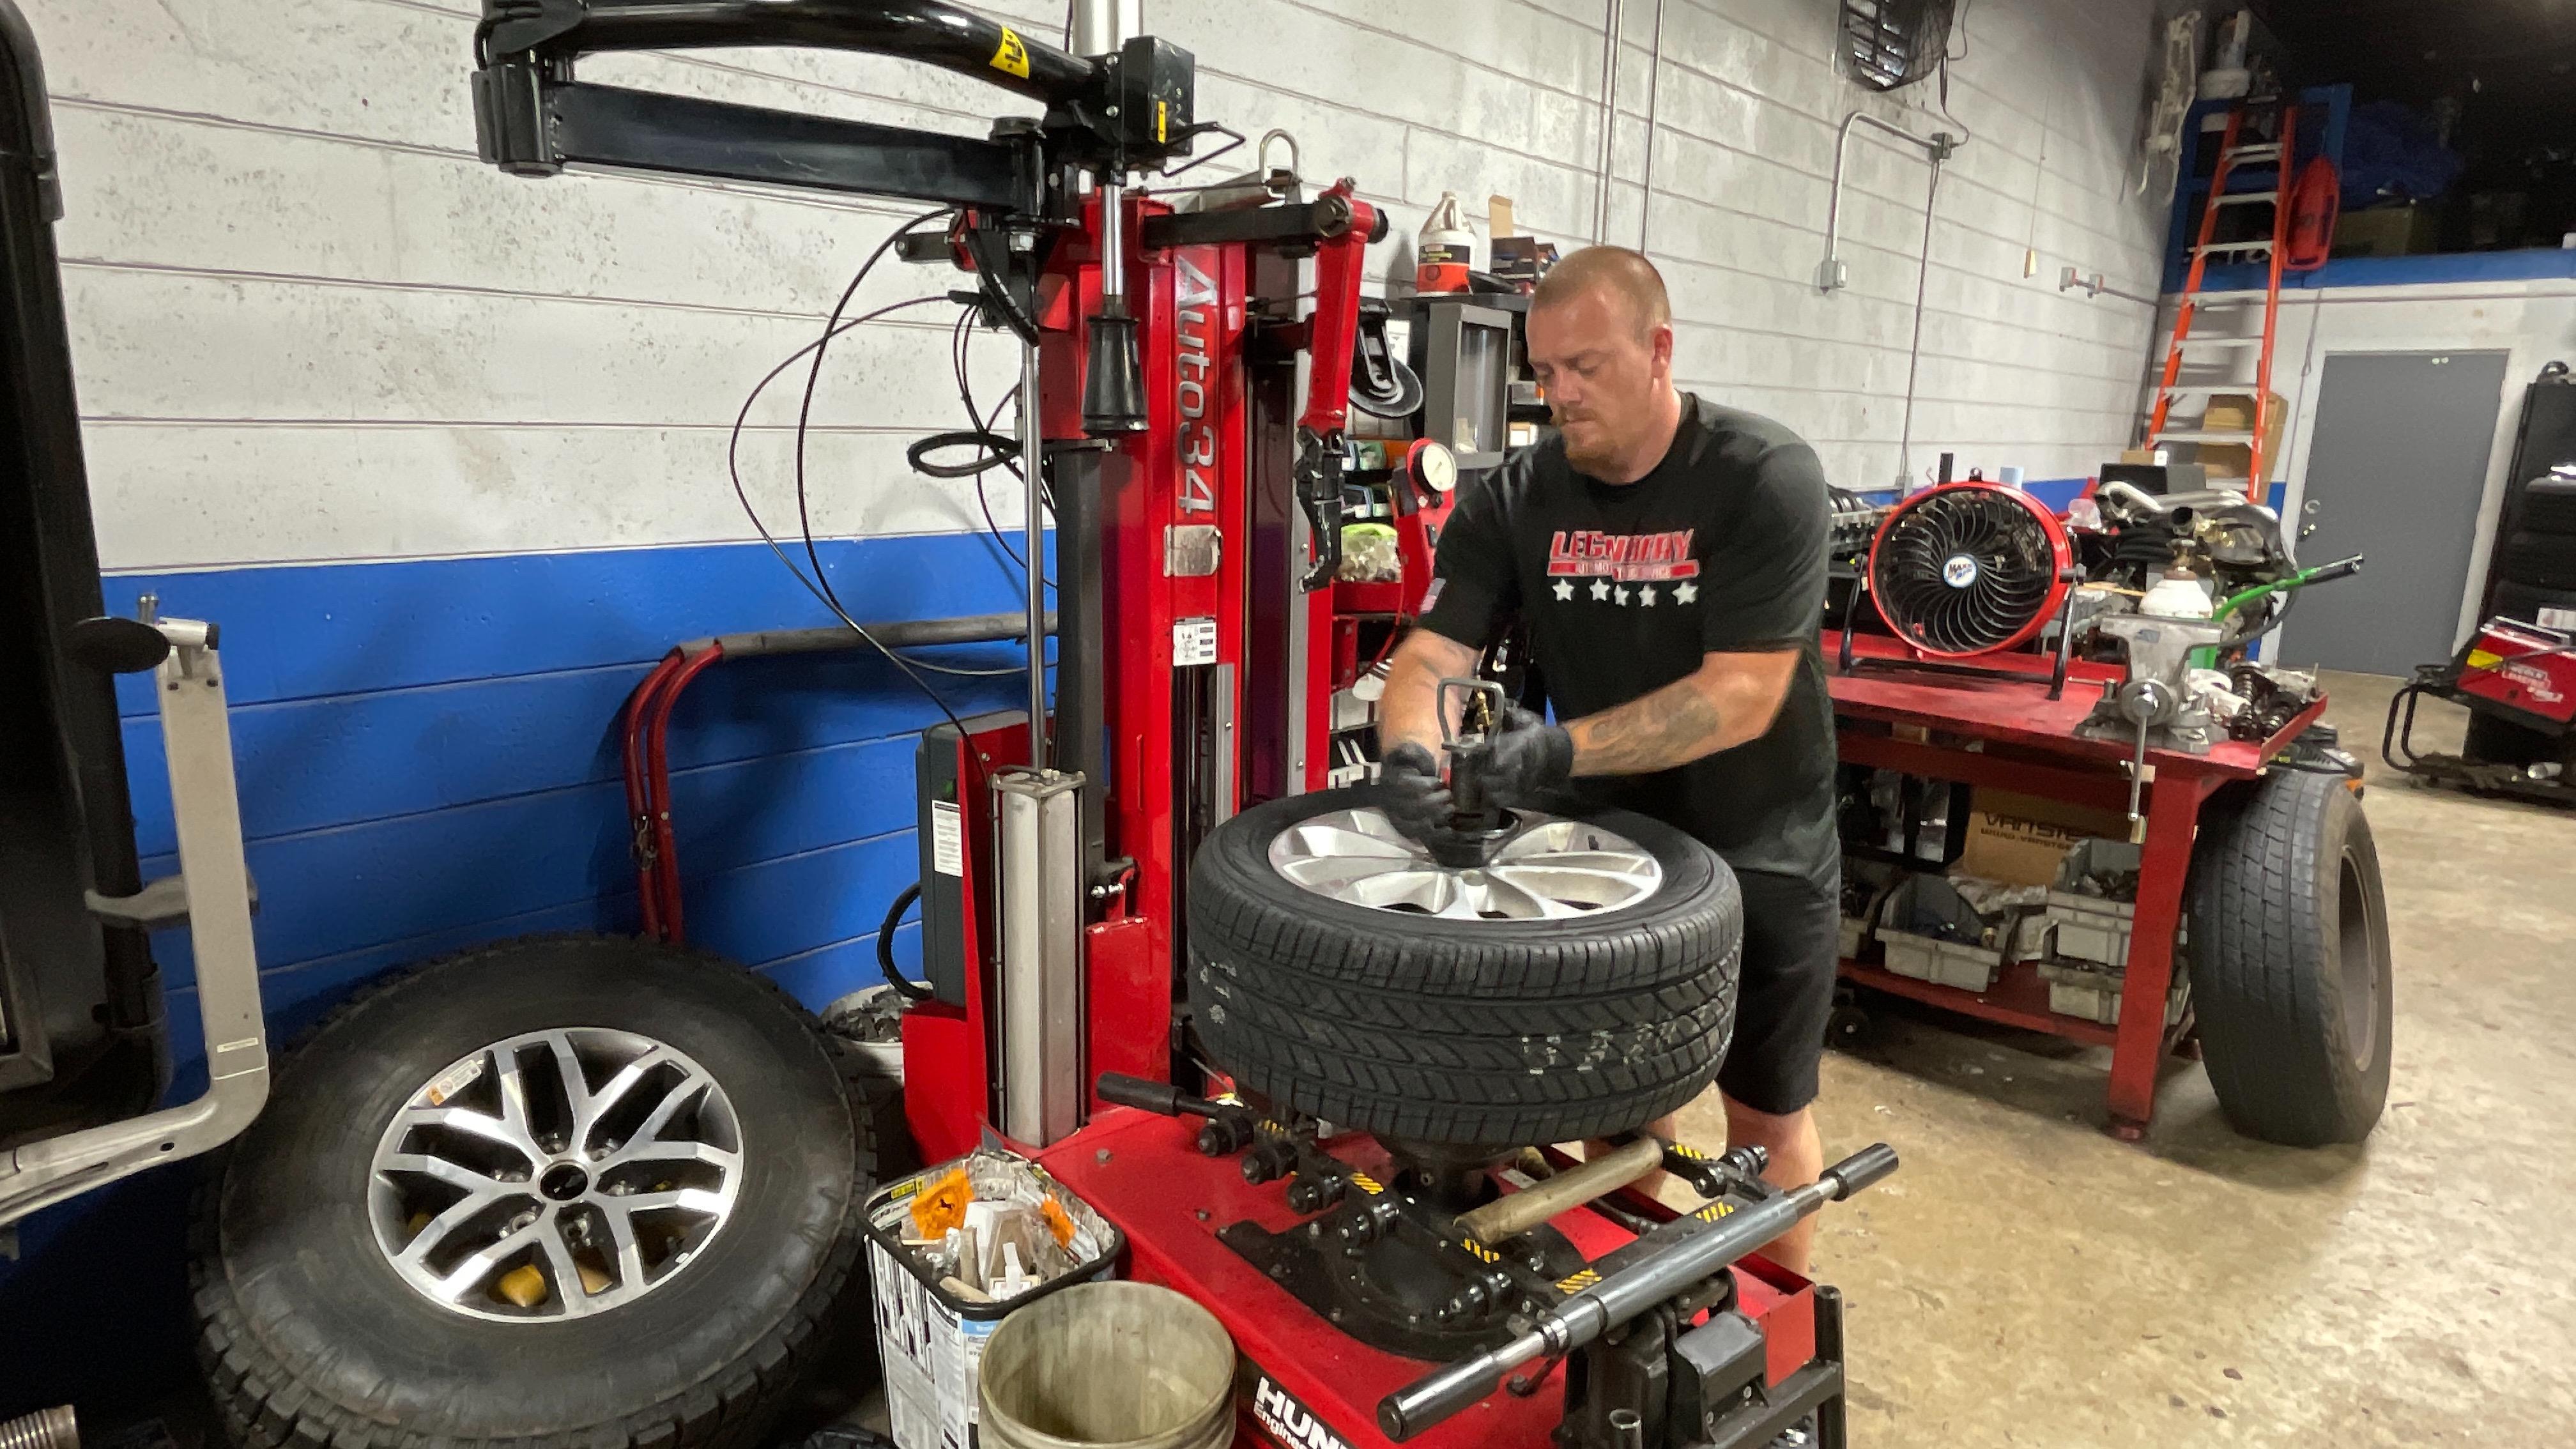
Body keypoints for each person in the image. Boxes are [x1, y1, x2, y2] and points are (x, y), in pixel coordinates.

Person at [1375, 245, 1840, 1272]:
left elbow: (1742, 693)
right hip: (1608, 852)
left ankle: (1765, 1333)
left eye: (1585, 367)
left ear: (1659, 350)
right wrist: (1410, 752)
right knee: (1615, 1097)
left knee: (1765, 1119)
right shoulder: (1517, 495)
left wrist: (1553, 752)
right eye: (1545, 373)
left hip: (1762, 844)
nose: (1561, 395)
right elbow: (1434, 652)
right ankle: (1617, 1295)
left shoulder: (1762, 477)